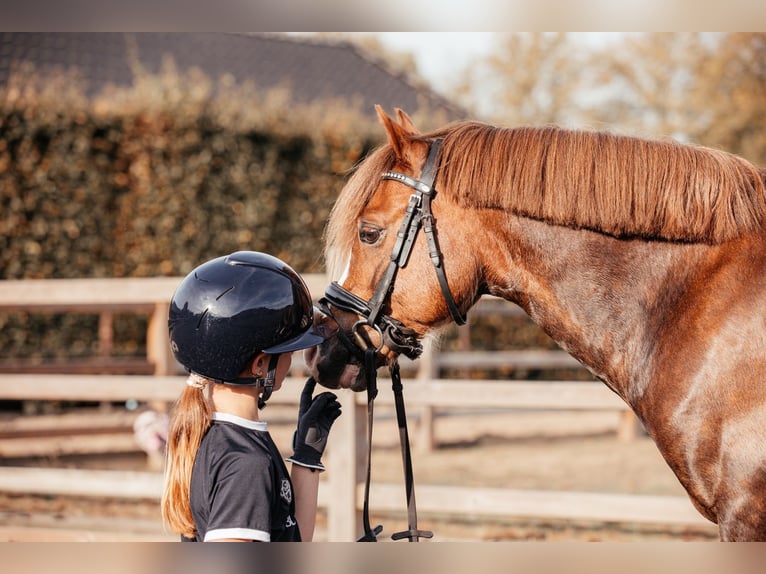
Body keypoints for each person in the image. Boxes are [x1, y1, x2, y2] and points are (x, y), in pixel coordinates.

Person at [161, 250, 342, 542]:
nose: (293, 357)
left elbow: (293, 537)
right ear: (260, 364)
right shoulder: (246, 464)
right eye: (287, 351)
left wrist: (306, 458)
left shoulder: (218, 438)